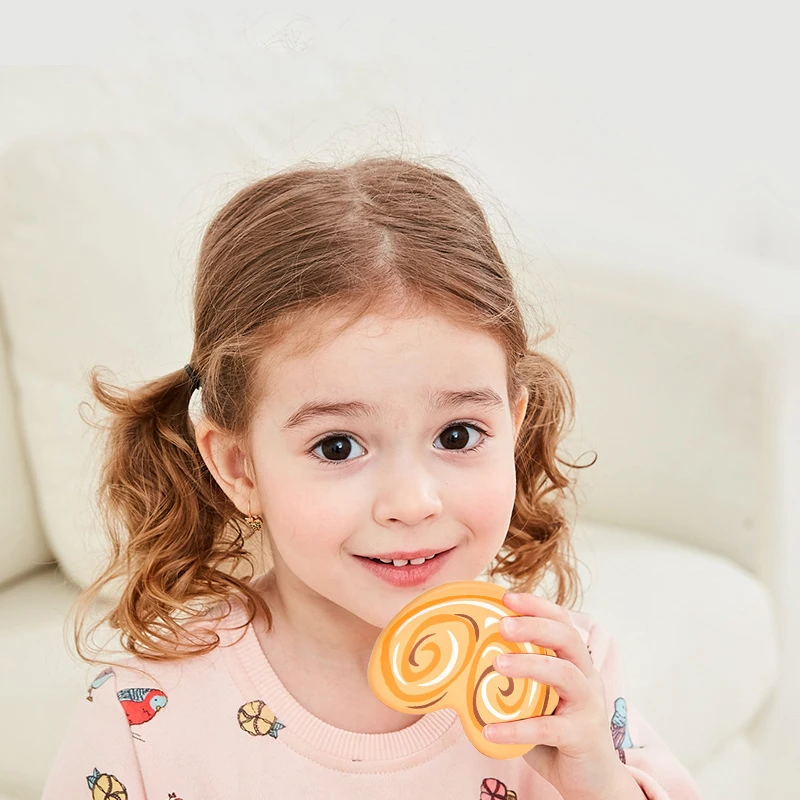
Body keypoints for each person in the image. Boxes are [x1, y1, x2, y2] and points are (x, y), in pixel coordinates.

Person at [42, 156, 703, 799]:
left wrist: (598, 783)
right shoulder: (145, 718)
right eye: (337, 446)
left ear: (515, 426)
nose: (412, 502)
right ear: (239, 467)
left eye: (457, 435)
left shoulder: (554, 676)